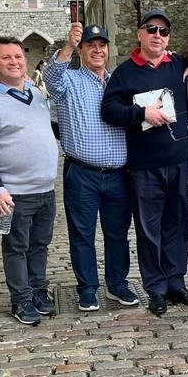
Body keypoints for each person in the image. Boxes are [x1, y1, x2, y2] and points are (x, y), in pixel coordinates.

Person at [101, 7, 188, 317]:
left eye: (164, 31)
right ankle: (155, 287)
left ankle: (176, 282)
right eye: (152, 29)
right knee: (149, 229)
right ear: (140, 34)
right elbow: (109, 110)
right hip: (144, 165)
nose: (158, 35)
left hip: (178, 161)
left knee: (178, 224)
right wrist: (141, 114)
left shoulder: (180, 65)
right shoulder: (124, 72)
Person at [43, 21, 138, 312]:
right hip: (82, 172)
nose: (97, 50)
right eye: (90, 45)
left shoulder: (118, 83)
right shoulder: (69, 81)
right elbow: (50, 76)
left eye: (102, 45)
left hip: (118, 174)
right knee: (82, 234)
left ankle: (117, 284)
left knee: (117, 233)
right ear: (82, 50)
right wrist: (68, 45)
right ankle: (87, 288)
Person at [0, 36, 59, 325]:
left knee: (40, 244)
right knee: (16, 247)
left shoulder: (36, 93)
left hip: (45, 189)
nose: (14, 62)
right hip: (14, 194)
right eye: (6, 57)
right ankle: (20, 299)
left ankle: (38, 290)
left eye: (18, 56)